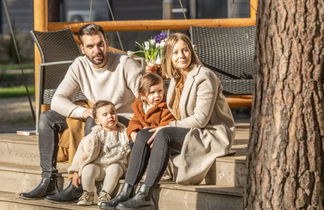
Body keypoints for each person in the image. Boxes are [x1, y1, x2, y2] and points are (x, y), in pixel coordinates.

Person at [99, 32, 235, 210]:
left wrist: (168, 126)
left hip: (211, 134)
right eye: (176, 52)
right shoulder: (177, 78)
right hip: (190, 130)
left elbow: (201, 119)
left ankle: (145, 195)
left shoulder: (203, 77)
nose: (181, 56)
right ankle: (127, 191)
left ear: (191, 52)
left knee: (163, 134)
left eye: (185, 50)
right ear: (169, 57)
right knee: (142, 135)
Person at [19, 23, 143, 202]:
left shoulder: (125, 63)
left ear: (106, 42)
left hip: (122, 119)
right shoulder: (80, 64)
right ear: (82, 48)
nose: (97, 50)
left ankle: (78, 185)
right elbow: (57, 99)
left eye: (100, 44)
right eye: (90, 46)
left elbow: (144, 98)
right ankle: (48, 180)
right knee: (47, 118)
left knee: (93, 121)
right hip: (95, 114)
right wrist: (82, 112)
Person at [69, 101, 130, 206]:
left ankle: (105, 194)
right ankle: (88, 194)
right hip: (99, 167)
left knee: (114, 168)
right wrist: (76, 171)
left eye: (113, 113)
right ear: (97, 121)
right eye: (105, 115)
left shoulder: (124, 133)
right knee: (88, 168)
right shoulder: (94, 135)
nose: (110, 116)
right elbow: (81, 152)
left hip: (116, 165)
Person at [126, 73, 175, 143]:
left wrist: (148, 131)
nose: (157, 95)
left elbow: (166, 124)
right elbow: (134, 121)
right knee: (132, 142)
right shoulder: (139, 107)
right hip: (143, 138)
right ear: (143, 95)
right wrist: (133, 132)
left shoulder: (165, 108)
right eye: (152, 92)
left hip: (157, 139)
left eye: (160, 91)